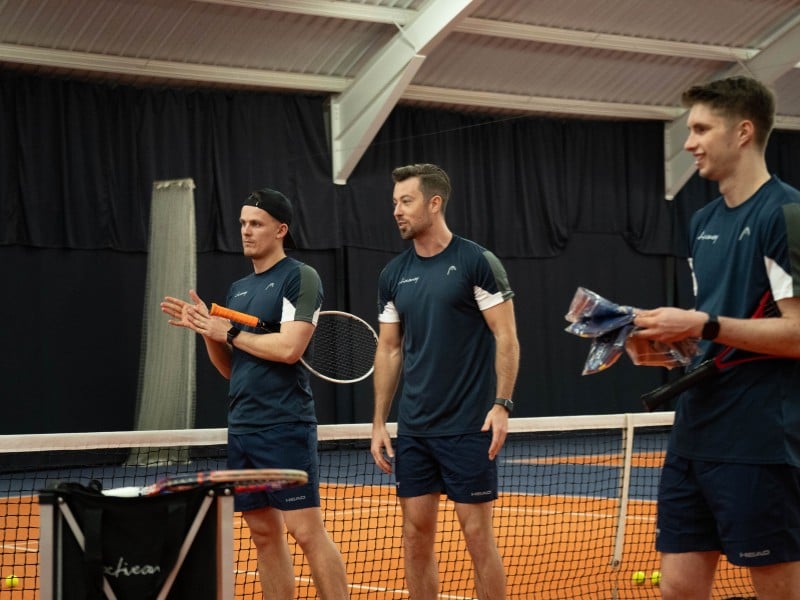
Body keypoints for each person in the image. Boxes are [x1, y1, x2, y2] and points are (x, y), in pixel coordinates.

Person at [633, 76, 800, 600]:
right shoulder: (702, 220)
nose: (689, 143)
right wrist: (669, 344)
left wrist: (702, 325)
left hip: (759, 441)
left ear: (743, 131)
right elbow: (718, 326)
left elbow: (797, 333)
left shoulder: (787, 215)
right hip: (693, 436)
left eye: (702, 129)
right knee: (677, 590)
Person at [160, 188, 349, 600]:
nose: (246, 230)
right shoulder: (238, 289)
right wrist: (207, 332)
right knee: (264, 534)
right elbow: (234, 369)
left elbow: (288, 349)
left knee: (305, 531)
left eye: (256, 223)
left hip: (285, 426)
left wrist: (226, 330)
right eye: (243, 222)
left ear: (280, 230)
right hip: (243, 428)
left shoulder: (300, 277)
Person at [370, 163, 520, 599]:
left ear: (434, 203)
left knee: (477, 538)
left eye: (406, 201)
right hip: (415, 431)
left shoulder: (476, 262)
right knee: (415, 539)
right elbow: (390, 348)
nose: (397, 210)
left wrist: (502, 404)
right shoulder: (393, 275)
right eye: (395, 202)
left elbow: (505, 336)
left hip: (468, 427)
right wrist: (380, 422)